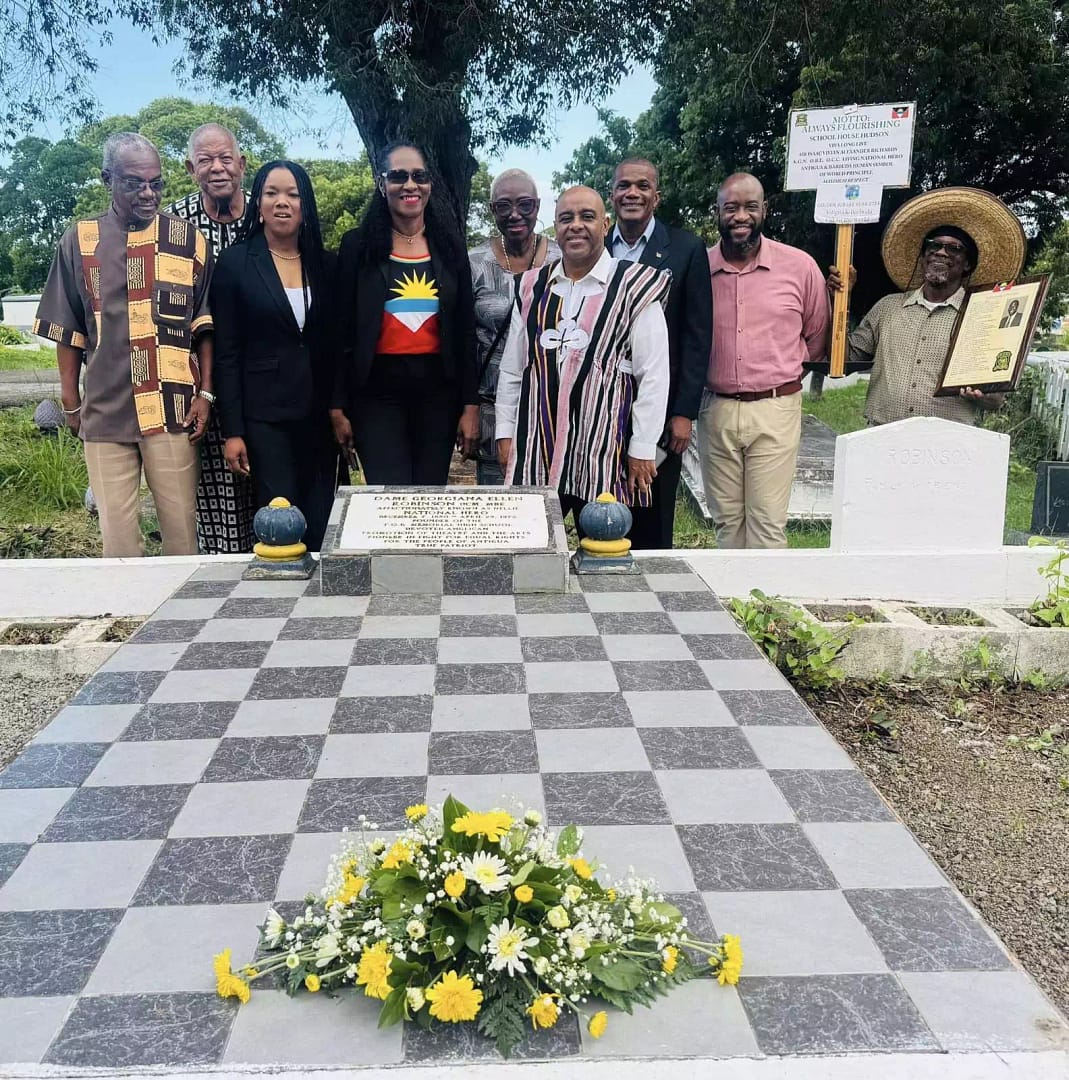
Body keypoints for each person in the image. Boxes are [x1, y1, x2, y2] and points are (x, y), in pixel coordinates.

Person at [35, 132, 213, 557]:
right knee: (117, 543)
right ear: (107, 179)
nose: (148, 193)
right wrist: (71, 403)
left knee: (181, 537)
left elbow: (205, 327)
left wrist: (205, 394)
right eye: (134, 183)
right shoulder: (79, 241)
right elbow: (67, 329)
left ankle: (178, 605)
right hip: (105, 410)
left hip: (172, 410)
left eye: (156, 183)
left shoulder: (187, 240)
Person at [495, 186, 671, 524]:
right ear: (556, 227)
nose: (576, 225)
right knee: (534, 542)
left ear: (605, 225)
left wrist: (643, 446)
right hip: (536, 446)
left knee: (603, 543)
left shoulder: (635, 285)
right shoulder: (531, 286)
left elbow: (653, 374)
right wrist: (505, 431)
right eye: (566, 218)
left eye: (587, 216)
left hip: (605, 449)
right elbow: (513, 369)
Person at [330, 142, 479, 484]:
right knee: (389, 495)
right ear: (382, 184)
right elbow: (341, 329)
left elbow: (465, 330)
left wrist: (470, 404)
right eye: (398, 176)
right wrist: (336, 405)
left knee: (428, 497)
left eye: (419, 176)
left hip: (438, 395)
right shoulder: (357, 246)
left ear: (430, 185)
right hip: (375, 395)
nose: (410, 185)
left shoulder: (451, 246)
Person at [210, 160, 339, 551]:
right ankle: (281, 588)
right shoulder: (235, 263)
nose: (282, 202)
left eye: (293, 194)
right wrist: (233, 431)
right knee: (279, 522)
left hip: (319, 417)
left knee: (321, 521)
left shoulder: (326, 264)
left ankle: (322, 590)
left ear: (305, 205)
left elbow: (336, 345)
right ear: (259, 204)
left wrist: (340, 407)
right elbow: (227, 353)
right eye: (272, 193)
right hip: (265, 418)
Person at [698, 172, 829, 549]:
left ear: (765, 210)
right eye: (731, 207)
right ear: (718, 212)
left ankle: (766, 591)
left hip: (775, 408)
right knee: (727, 524)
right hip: (716, 409)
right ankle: (729, 590)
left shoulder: (800, 267)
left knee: (767, 525)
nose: (740, 216)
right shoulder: (700, 269)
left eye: (750, 207)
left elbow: (817, 338)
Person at [833, 187, 1026, 426]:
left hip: (947, 440)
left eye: (954, 248)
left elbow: (996, 399)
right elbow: (845, 358)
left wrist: (984, 397)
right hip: (883, 434)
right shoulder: (888, 307)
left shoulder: (981, 315)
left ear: (967, 265)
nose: (941, 252)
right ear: (923, 257)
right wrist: (839, 300)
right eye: (933, 246)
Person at [608, 157, 712, 548]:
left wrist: (684, 412)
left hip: (661, 409)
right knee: (602, 510)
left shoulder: (686, 249)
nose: (632, 193)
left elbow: (697, 336)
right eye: (623, 186)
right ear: (612, 194)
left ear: (657, 196)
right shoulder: (596, 247)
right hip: (603, 408)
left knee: (651, 515)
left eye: (642, 186)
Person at [165, 123, 257, 552]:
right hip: (199, 378)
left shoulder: (265, 213)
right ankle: (221, 571)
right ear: (190, 168)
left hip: (262, 373)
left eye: (225, 158)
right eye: (205, 160)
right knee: (213, 487)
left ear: (242, 164)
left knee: (265, 477)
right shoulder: (175, 225)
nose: (217, 168)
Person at [468, 169, 559, 485]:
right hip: (492, 408)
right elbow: (462, 341)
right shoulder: (474, 263)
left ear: (538, 205)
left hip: (551, 407)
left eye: (525, 204)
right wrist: (468, 409)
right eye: (504, 206)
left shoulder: (564, 259)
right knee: (498, 502)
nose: (515, 214)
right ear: (492, 210)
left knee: (549, 500)